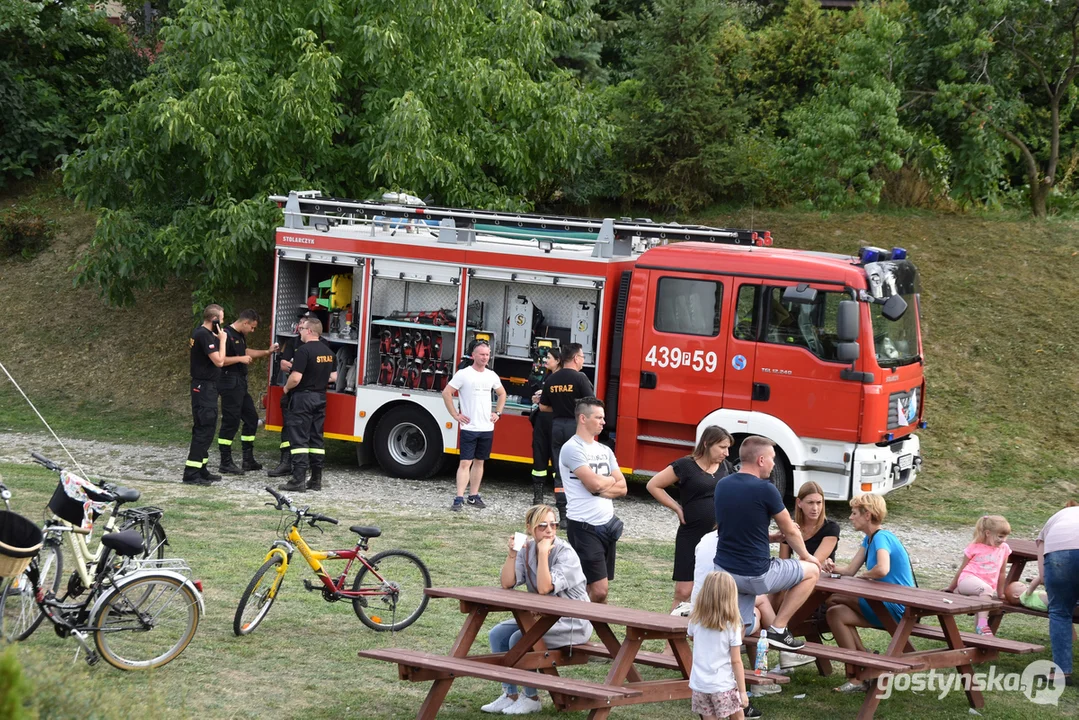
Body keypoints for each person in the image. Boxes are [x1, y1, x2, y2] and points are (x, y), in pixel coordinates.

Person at [481, 504, 593, 715]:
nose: (549, 530)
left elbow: (544, 588)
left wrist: (543, 555)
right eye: (543, 526)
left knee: (519, 639)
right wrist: (513, 555)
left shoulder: (564, 552)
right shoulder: (528, 548)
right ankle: (510, 694)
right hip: (543, 619)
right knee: (497, 634)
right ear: (530, 528)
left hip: (572, 623)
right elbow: (507, 583)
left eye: (553, 525)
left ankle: (531, 697)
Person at [712, 436, 821, 652]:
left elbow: (733, 527)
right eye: (772, 459)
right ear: (761, 460)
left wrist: (771, 538)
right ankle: (778, 629)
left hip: (726, 573)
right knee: (812, 571)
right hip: (756, 574)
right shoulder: (766, 489)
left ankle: (722, 673)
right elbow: (790, 528)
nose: (773, 464)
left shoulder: (722, 485)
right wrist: (807, 556)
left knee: (738, 629)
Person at [822, 493, 915, 693]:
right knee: (834, 613)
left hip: (899, 608)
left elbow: (882, 569)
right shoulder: (869, 539)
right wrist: (830, 566)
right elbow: (849, 571)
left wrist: (863, 577)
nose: (850, 517)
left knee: (834, 598)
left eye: (854, 513)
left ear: (868, 515)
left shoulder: (882, 537)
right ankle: (860, 671)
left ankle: (862, 668)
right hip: (879, 604)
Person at [647, 426, 734, 612]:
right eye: (722, 447)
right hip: (691, 534)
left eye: (728, 448)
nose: (726, 453)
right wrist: (677, 508)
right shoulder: (685, 465)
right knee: (683, 590)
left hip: (717, 536)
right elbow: (654, 485)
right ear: (707, 443)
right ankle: (670, 639)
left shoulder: (726, 467)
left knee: (714, 588)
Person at [559, 397, 626, 603]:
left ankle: (586, 630)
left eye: (603, 417)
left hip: (607, 525)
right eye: (598, 417)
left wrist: (599, 485)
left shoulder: (605, 450)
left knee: (595, 589)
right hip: (584, 527)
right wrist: (605, 483)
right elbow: (593, 485)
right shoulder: (572, 448)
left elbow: (623, 487)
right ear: (582, 418)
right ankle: (576, 626)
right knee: (599, 590)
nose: (603, 422)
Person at [774, 481, 839, 671]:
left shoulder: (831, 528)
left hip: (818, 588)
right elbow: (783, 561)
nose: (815, 508)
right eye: (810, 503)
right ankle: (778, 643)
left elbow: (814, 563)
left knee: (779, 596)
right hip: (796, 581)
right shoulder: (791, 528)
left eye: (819, 503)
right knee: (773, 592)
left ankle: (770, 638)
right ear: (799, 503)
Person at [442, 341, 507, 511]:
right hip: (469, 428)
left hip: (486, 427)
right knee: (465, 463)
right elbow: (447, 392)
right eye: (482, 354)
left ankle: (473, 495)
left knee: (480, 462)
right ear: (473, 355)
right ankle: (458, 497)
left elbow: (502, 394)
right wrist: (455, 415)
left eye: (487, 354)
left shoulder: (492, 375)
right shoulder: (464, 374)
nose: (485, 357)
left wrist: (497, 413)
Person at [216, 309, 278, 475]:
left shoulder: (239, 336)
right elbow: (220, 361)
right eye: (252, 327)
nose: (253, 330)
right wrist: (240, 359)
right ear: (245, 323)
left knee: (251, 419)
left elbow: (245, 351)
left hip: (240, 383)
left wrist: (267, 352)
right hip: (229, 381)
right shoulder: (226, 335)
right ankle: (225, 462)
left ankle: (248, 459)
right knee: (231, 421)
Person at [278, 317, 336, 493]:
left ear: (310, 331)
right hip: (320, 397)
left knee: (299, 439)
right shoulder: (328, 352)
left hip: (303, 398)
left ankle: (298, 480)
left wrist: (286, 389)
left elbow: (295, 378)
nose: (300, 332)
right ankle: (316, 480)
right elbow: (333, 377)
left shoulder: (304, 351)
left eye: (302, 328)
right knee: (316, 438)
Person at [541, 343, 594, 529]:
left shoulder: (552, 379)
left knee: (560, 470)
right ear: (576, 358)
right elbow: (591, 405)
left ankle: (563, 515)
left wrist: (559, 407)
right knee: (581, 468)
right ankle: (579, 512)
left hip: (557, 426)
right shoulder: (580, 379)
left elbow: (542, 406)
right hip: (576, 427)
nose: (583, 361)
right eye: (582, 357)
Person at [1029, 500, 1079, 686]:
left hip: (1060, 556)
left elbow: (1042, 575)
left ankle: (1061, 673)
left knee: (1059, 612)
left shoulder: (1054, 519)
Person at [689, 571, 751, 720]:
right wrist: (742, 692)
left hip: (700, 685)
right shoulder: (732, 626)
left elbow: (692, 637)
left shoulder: (695, 621)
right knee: (737, 715)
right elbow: (736, 661)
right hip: (723, 685)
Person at [944, 514, 1011, 636]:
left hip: (983, 590)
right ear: (988, 533)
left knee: (982, 600)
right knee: (986, 591)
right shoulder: (974, 547)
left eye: (1006, 536)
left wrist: (1001, 593)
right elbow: (962, 569)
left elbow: (1002, 572)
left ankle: (980, 638)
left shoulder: (1004, 548)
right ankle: (982, 623)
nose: (1003, 540)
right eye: (1000, 536)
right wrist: (950, 587)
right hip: (967, 580)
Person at [183, 304, 226, 486]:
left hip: (207, 386)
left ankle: (201, 468)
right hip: (204, 387)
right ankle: (191, 474)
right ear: (215, 320)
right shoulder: (203, 335)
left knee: (207, 429)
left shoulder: (203, 334)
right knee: (204, 428)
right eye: (222, 319)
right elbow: (219, 361)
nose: (223, 322)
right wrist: (222, 340)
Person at [268, 309, 313, 478]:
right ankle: (285, 462)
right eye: (300, 322)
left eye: (304, 322)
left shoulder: (320, 344)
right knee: (287, 428)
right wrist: (297, 368)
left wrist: (296, 368)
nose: (300, 325)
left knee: (306, 430)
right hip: (293, 392)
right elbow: (283, 364)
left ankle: (303, 466)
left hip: (306, 393)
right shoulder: (293, 343)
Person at [529, 347, 560, 507]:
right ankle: (538, 496)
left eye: (549, 358)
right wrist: (536, 399)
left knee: (557, 462)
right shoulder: (546, 376)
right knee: (539, 457)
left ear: (558, 360)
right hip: (542, 422)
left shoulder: (562, 378)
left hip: (555, 422)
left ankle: (559, 497)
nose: (546, 360)